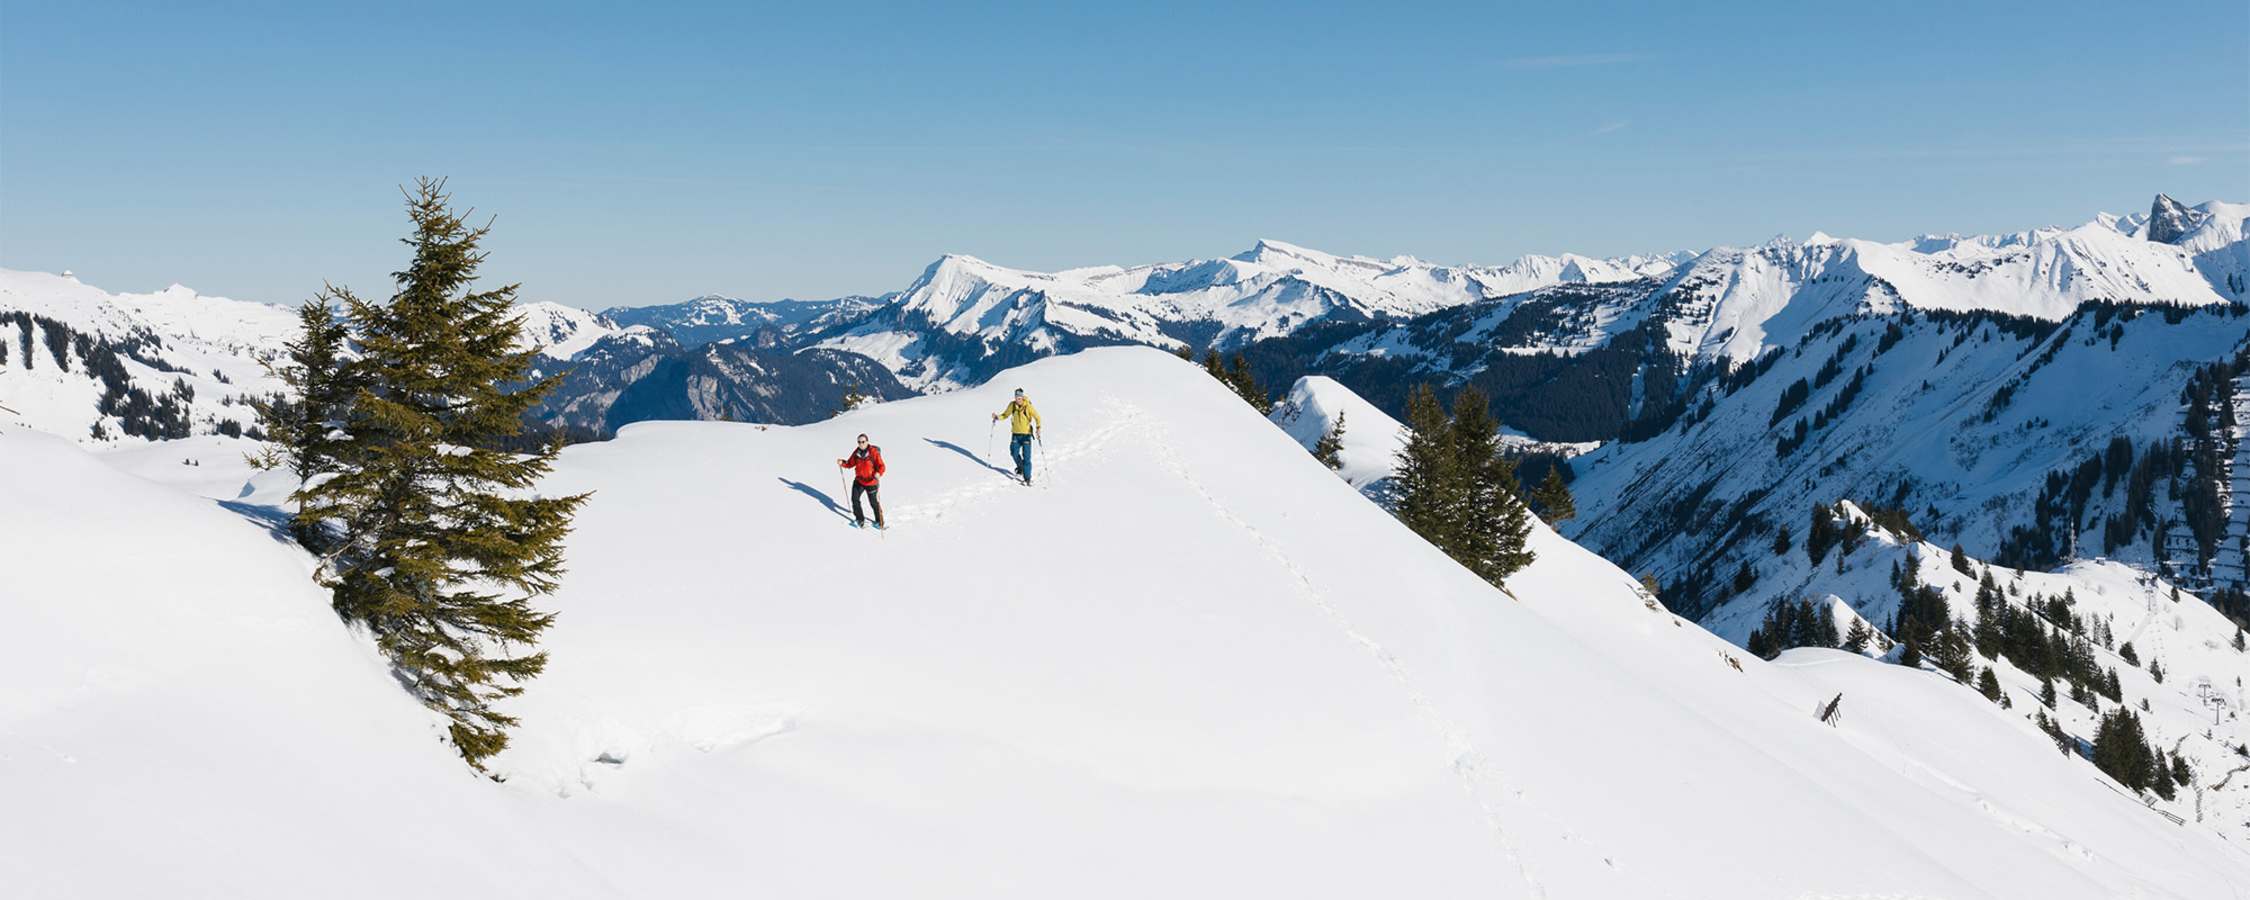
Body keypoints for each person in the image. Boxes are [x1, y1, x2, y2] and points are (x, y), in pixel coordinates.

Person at [992, 387, 1042, 484]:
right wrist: (997, 417)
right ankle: (1021, 468)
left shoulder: (1028, 406)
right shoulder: (1012, 405)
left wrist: (1038, 428)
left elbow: (1037, 417)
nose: (1017, 399)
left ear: (1022, 397)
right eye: (1016, 397)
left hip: (1026, 435)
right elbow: (1005, 415)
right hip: (1015, 434)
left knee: (1027, 457)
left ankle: (1027, 478)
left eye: (1019, 398)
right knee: (1014, 453)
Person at [836, 433, 886, 529]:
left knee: (874, 502)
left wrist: (879, 473)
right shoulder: (857, 453)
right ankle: (860, 519)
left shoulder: (873, 452)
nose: (861, 444)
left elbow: (882, 466)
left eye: (863, 442)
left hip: (871, 482)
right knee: (855, 499)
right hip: (859, 480)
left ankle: (879, 522)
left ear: (867, 442)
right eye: (859, 442)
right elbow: (850, 463)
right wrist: (842, 462)